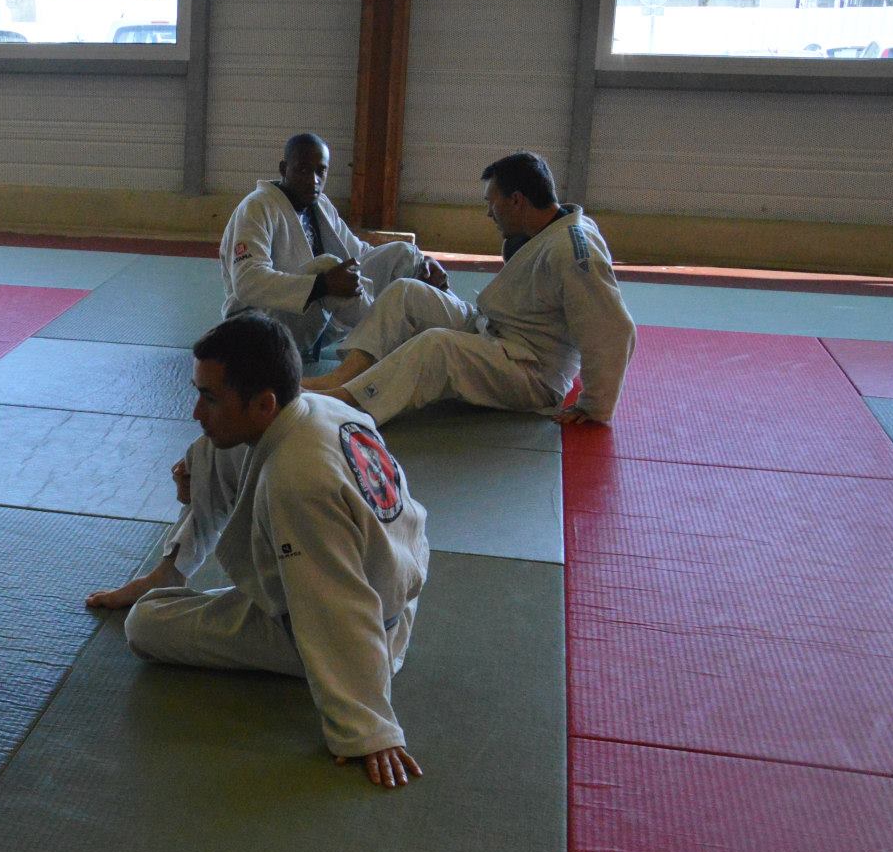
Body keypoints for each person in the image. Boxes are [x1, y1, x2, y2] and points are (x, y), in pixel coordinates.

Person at [85, 313, 430, 789]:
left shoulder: (298, 482)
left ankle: (340, 687)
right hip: (396, 577)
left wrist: (371, 730)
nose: (195, 411)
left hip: (360, 631)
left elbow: (335, 605)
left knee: (145, 623)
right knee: (216, 447)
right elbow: (223, 443)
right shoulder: (322, 408)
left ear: (265, 401)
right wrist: (197, 474)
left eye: (210, 397)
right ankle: (169, 570)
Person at [302, 151, 637, 426]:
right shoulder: (547, 232)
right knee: (407, 292)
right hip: (494, 332)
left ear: (517, 200)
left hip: (530, 371)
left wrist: (595, 406)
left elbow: (612, 329)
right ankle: (342, 377)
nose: (489, 212)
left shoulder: (572, 250)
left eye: (492, 202)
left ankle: (348, 400)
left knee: (438, 345)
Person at [221, 132, 446, 360]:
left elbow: (358, 254)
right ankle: (392, 345)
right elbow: (247, 281)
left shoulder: (320, 205)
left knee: (404, 254)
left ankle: (452, 322)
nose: (313, 180)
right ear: (284, 168)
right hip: (258, 330)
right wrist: (322, 284)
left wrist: (421, 260)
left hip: (313, 322)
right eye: (303, 170)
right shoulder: (257, 207)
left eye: (320, 171)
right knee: (330, 268)